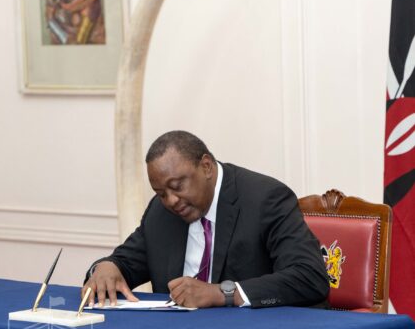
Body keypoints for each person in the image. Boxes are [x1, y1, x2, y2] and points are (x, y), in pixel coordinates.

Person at [83, 130, 329, 309]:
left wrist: (223, 293)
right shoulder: (162, 212)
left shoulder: (265, 198)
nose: (170, 200)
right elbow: (125, 263)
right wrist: (106, 267)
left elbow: (309, 277)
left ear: (207, 166)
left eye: (177, 186)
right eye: (160, 193)